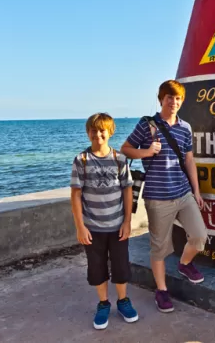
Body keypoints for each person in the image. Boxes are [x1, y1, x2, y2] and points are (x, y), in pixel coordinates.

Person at [121, 80, 207, 314]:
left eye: (178, 98)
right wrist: (147, 152)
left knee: (199, 235)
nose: (174, 102)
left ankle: (184, 263)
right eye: (170, 97)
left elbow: (189, 159)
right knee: (159, 247)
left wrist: (196, 190)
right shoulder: (147, 125)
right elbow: (125, 149)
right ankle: (161, 290)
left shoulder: (185, 127)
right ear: (161, 99)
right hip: (158, 197)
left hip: (183, 192)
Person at [70, 113, 138, 330]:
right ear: (87, 133)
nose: (98, 134)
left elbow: (127, 191)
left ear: (110, 132)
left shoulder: (119, 159)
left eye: (102, 130)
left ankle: (123, 300)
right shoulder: (81, 160)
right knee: (97, 268)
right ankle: (103, 303)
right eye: (94, 130)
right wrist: (80, 227)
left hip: (117, 226)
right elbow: (75, 195)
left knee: (121, 266)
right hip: (92, 228)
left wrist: (127, 222)